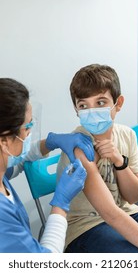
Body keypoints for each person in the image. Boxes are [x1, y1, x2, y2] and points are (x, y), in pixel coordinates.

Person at [57, 64, 138, 253]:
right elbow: (110, 213)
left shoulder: (126, 135)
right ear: (76, 109)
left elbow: (133, 197)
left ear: (118, 104)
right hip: (86, 227)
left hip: (128, 212)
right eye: (83, 105)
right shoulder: (79, 144)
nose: (92, 111)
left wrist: (119, 161)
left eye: (100, 102)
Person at [0, 78, 94, 253]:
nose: (30, 133)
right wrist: (61, 203)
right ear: (4, 141)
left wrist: (50, 142)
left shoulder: (3, 170)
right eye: (27, 127)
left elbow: (19, 160)